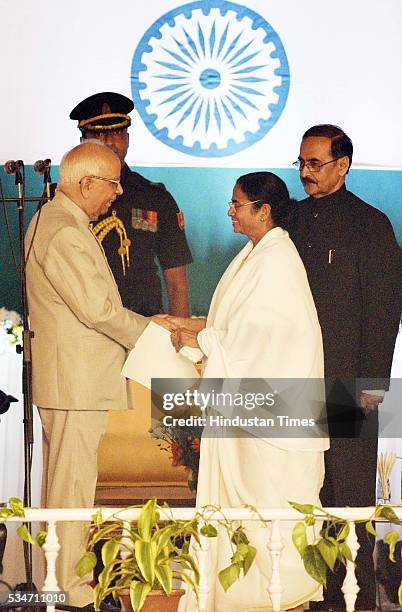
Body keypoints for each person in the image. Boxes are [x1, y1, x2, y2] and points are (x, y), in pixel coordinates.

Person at [157, 172, 329, 612]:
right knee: (241, 514)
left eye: (237, 204)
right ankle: (237, 598)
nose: (230, 211)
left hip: (273, 419)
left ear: (263, 210)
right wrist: (187, 327)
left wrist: (201, 340)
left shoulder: (277, 261)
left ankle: (278, 599)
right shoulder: (254, 255)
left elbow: (261, 341)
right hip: (249, 412)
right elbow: (233, 328)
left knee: (270, 510)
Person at [26, 142, 150, 609]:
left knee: (63, 486)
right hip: (73, 383)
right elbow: (100, 311)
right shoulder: (65, 230)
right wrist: (154, 334)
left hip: (71, 381)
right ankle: (67, 591)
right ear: (86, 184)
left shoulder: (62, 222)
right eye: (113, 183)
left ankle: (54, 583)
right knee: (70, 489)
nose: (118, 192)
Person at [290, 124, 402, 611]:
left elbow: (384, 309)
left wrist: (372, 383)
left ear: (343, 165)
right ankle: (312, 589)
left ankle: (355, 597)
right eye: (301, 163)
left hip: (347, 384)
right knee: (305, 487)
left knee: (349, 491)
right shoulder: (289, 221)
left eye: (315, 163)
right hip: (293, 380)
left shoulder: (370, 225)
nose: (306, 173)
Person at [69, 91, 193, 316]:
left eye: (116, 133)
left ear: (127, 138)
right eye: (98, 135)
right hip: (85, 332)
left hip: (143, 326)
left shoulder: (155, 198)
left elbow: (177, 284)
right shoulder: (66, 198)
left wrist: (180, 340)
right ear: (82, 142)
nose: (108, 143)